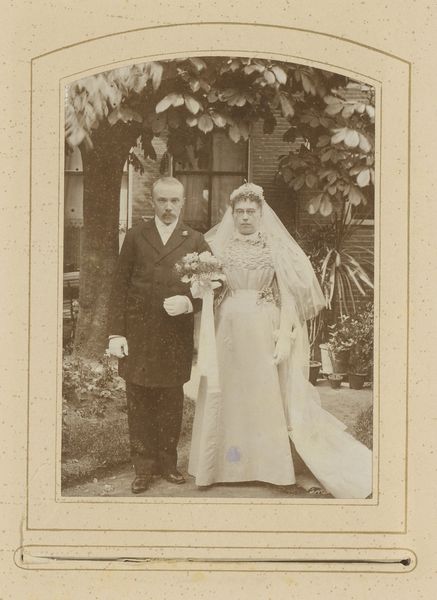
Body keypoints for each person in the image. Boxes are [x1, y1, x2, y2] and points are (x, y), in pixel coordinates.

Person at [188, 182, 372, 499]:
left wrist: (285, 333)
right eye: (240, 212)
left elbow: (289, 295)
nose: (245, 217)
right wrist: (202, 284)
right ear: (232, 214)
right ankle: (220, 467)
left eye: (251, 211)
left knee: (263, 393)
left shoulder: (275, 248)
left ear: (261, 214)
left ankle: (270, 467)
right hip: (227, 327)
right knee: (229, 391)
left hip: (263, 325)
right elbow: (207, 290)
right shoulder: (217, 247)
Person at [107, 176, 209, 494]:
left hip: (174, 337)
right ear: (152, 202)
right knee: (139, 401)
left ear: (183, 203)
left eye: (174, 201)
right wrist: (116, 334)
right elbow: (119, 287)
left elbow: (215, 286)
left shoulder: (195, 240)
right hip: (138, 334)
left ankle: (167, 464)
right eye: (162, 200)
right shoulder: (136, 236)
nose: (168, 207)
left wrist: (189, 303)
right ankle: (143, 468)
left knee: (170, 400)